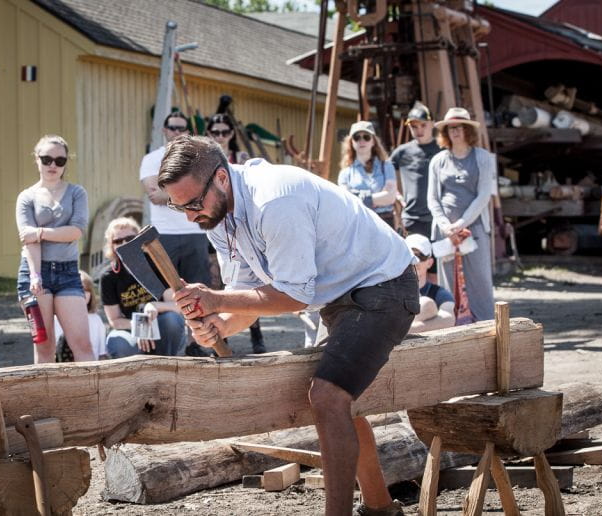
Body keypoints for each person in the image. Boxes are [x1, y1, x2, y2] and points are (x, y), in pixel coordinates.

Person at [159, 136, 418, 516]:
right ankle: (381, 508)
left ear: (221, 178)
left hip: (385, 286)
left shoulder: (275, 201)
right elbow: (249, 296)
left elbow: (294, 296)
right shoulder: (217, 217)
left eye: (193, 203)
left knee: (328, 396)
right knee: (337, 399)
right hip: (340, 298)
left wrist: (215, 301)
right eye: (177, 206)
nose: (189, 216)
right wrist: (219, 326)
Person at [16, 135, 93, 363]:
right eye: (47, 159)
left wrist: (40, 232)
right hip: (35, 273)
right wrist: (35, 275)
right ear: (37, 160)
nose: (52, 165)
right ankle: (44, 399)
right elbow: (27, 240)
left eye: (60, 161)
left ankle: (94, 398)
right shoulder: (26, 197)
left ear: (66, 163)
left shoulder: (76, 193)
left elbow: (76, 231)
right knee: (44, 346)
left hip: (68, 273)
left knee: (82, 344)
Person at [139, 111, 211, 356]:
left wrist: (168, 191)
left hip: (195, 232)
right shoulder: (152, 159)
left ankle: (196, 344)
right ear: (164, 129)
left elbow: (163, 194)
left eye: (182, 128)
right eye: (173, 127)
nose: (177, 132)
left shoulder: (197, 158)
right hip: (164, 235)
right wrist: (190, 192)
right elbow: (153, 195)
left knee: (198, 290)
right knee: (167, 290)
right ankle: (168, 342)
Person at [427, 107, 497, 322]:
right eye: (450, 128)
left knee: (480, 279)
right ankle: (451, 325)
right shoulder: (438, 161)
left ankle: (486, 324)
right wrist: (445, 225)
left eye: (459, 127)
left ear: (468, 130)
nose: (455, 132)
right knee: (449, 280)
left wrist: (461, 223)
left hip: (473, 227)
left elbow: (484, 194)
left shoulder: (483, 158)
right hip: (445, 230)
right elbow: (433, 199)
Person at [207, 113, 266, 354]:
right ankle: (224, 332)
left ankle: (257, 336)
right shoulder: (206, 161)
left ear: (231, 134)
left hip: (242, 225)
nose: (220, 136)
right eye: (216, 132)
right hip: (219, 227)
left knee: (254, 279)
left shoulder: (239, 159)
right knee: (223, 280)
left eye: (224, 132)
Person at [99, 217, 187, 358]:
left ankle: (168, 365)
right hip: (131, 328)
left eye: (129, 238)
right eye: (117, 241)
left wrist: (153, 305)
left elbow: (176, 306)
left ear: (137, 239)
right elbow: (114, 321)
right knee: (117, 343)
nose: (124, 243)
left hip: (161, 323)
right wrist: (142, 326)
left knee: (172, 320)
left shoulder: (155, 265)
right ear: (111, 245)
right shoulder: (108, 277)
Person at [391, 102, 441, 283]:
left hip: (438, 220)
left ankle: (437, 304)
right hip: (412, 220)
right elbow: (385, 176)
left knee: (436, 268)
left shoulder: (442, 150)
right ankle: (416, 309)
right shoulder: (402, 152)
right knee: (414, 268)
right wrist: (396, 196)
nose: (418, 130)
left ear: (433, 124)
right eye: (414, 126)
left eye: (423, 125)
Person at [338, 121, 399, 227]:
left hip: (384, 222)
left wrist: (360, 197)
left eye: (366, 137)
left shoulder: (387, 166)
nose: (362, 141)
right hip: (358, 223)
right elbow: (346, 201)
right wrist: (377, 199)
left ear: (373, 141)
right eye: (357, 137)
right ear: (351, 142)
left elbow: (390, 197)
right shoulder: (345, 173)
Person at [53, 270, 108, 361]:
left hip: (91, 368)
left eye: (85, 290)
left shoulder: (96, 320)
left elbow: (102, 354)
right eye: (76, 291)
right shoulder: (57, 320)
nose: (81, 294)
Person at [405, 234, 455, 333]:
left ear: (430, 262)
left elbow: (449, 319)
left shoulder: (438, 292)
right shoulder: (392, 289)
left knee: (426, 303)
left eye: (420, 256)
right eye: (410, 256)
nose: (415, 261)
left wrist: (409, 330)